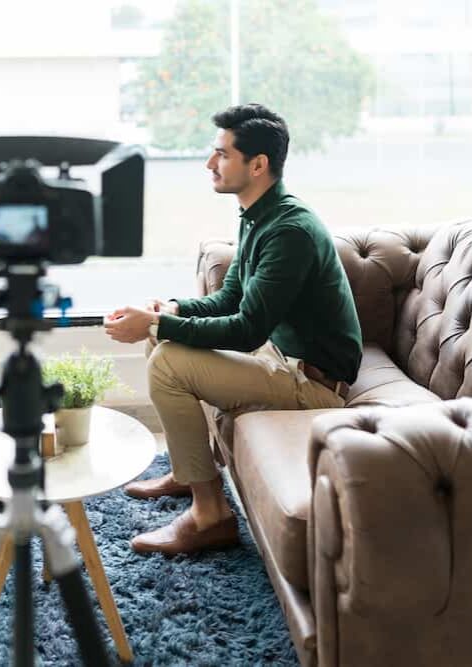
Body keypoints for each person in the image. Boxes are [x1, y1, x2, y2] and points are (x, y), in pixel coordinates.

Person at [104, 104, 362, 556]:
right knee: (160, 337)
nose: (209, 164)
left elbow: (246, 329)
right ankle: (190, 474)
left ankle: (211, 516)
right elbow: (229, 300)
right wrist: (171, 309)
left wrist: (163, 323)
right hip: (278, 358)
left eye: (221, 154)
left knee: (168, 359)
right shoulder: (259, 216)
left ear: (257, 164)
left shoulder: (289, 230)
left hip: (315, 384)